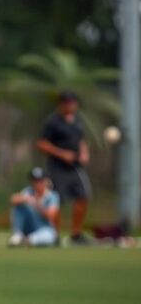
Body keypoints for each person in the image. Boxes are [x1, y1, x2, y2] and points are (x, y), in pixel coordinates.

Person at [36, 91, 92, 245]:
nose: (70, 105)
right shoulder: (53, 122)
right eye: (66, 103)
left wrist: (84, 153)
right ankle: (54, 235)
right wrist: (61, 154)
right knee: (57, 200)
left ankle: (76, 234)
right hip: (57, 167)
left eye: (72, 102)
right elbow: (41, 144)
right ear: (61, 105)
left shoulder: (77, 122)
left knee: (83, 196)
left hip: (75, 167)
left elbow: (81, 140)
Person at [8, 167, 60, 247]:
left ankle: (28, 240)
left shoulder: (52, 196)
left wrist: (36, 204)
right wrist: (26, 199)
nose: (37, 184)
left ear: (45, 181)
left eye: (40, 181)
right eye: (35, 181)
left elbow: (51, 216)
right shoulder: (28, 191)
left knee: (50, 236)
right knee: (19, 206)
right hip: (28, 227)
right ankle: (18, 235)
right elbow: (13, 199)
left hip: (43, 228)